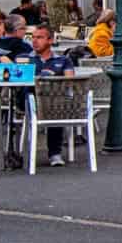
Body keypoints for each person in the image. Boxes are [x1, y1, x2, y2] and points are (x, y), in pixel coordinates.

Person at [25, 24, 80, 166]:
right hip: (29, 101)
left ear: (50, 40)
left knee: (56, 105)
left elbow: (70, 83)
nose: (35, 41)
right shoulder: (26, 59)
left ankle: (55, 153)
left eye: (40, 38)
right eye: (33, 38)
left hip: (54, 102)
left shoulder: (63, 60)